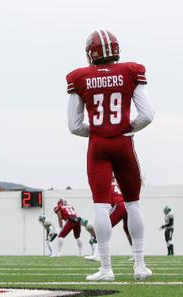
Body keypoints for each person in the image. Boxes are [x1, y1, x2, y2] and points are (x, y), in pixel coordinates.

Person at [67, 29, 154, 281]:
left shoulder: (80, 78)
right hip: (124, 143)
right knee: (133, 203)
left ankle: (106, 269)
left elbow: (74, 125)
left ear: (91, 53)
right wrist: (125, 128)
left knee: (101, 206)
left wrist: (97, 132)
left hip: (98, 147)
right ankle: (139, 266)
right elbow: (147, 115)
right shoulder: (130, 72)